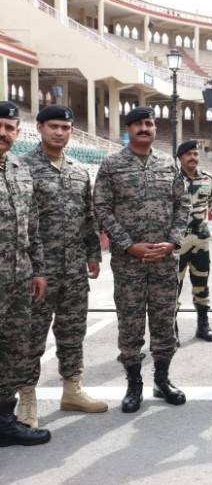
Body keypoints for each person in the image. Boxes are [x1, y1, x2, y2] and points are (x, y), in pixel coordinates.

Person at [93, 106, 189, 413]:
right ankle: (134, 384)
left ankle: (162, 380)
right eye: (138, 124)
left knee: (164, 321)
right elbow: (102, 208)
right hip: (128, 262)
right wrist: (128, 245)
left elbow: (182, 205)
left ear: (154, 128)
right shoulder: (112, 164)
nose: (144, 128)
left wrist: (173, 241)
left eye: (149, 123)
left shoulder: (167, 163)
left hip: (163, 260)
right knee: (131, 324)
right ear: (129, 129)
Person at [18, 105, 107, 430]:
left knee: (72, 331)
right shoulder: (21, 167)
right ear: (39, 128)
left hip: (73, 268)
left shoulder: (78, 171)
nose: (60, 132)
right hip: (38, 270)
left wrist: (93, 254)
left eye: (65, 127)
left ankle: (72, 388)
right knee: (32, 335)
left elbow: (88, 217)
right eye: (53, 126)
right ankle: (27, 395)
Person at [0, 101, 50, 447]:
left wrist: (39, 271)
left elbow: (32, 226)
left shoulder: (19, 169)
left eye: (10, 128)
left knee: (14, 350)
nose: (4, 133)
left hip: (18, 280)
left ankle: (5, 420)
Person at [175, 139, 212, 344]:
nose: (193, 157)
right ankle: (171, 330)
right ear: (180, 157)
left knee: (201, 284)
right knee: (173, 285)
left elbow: (208, 205)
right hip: (178, 242)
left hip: (201, 241)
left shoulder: (208, 180)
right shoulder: (171, 180)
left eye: (195, 154)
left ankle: (203, 325)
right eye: (188, 154)